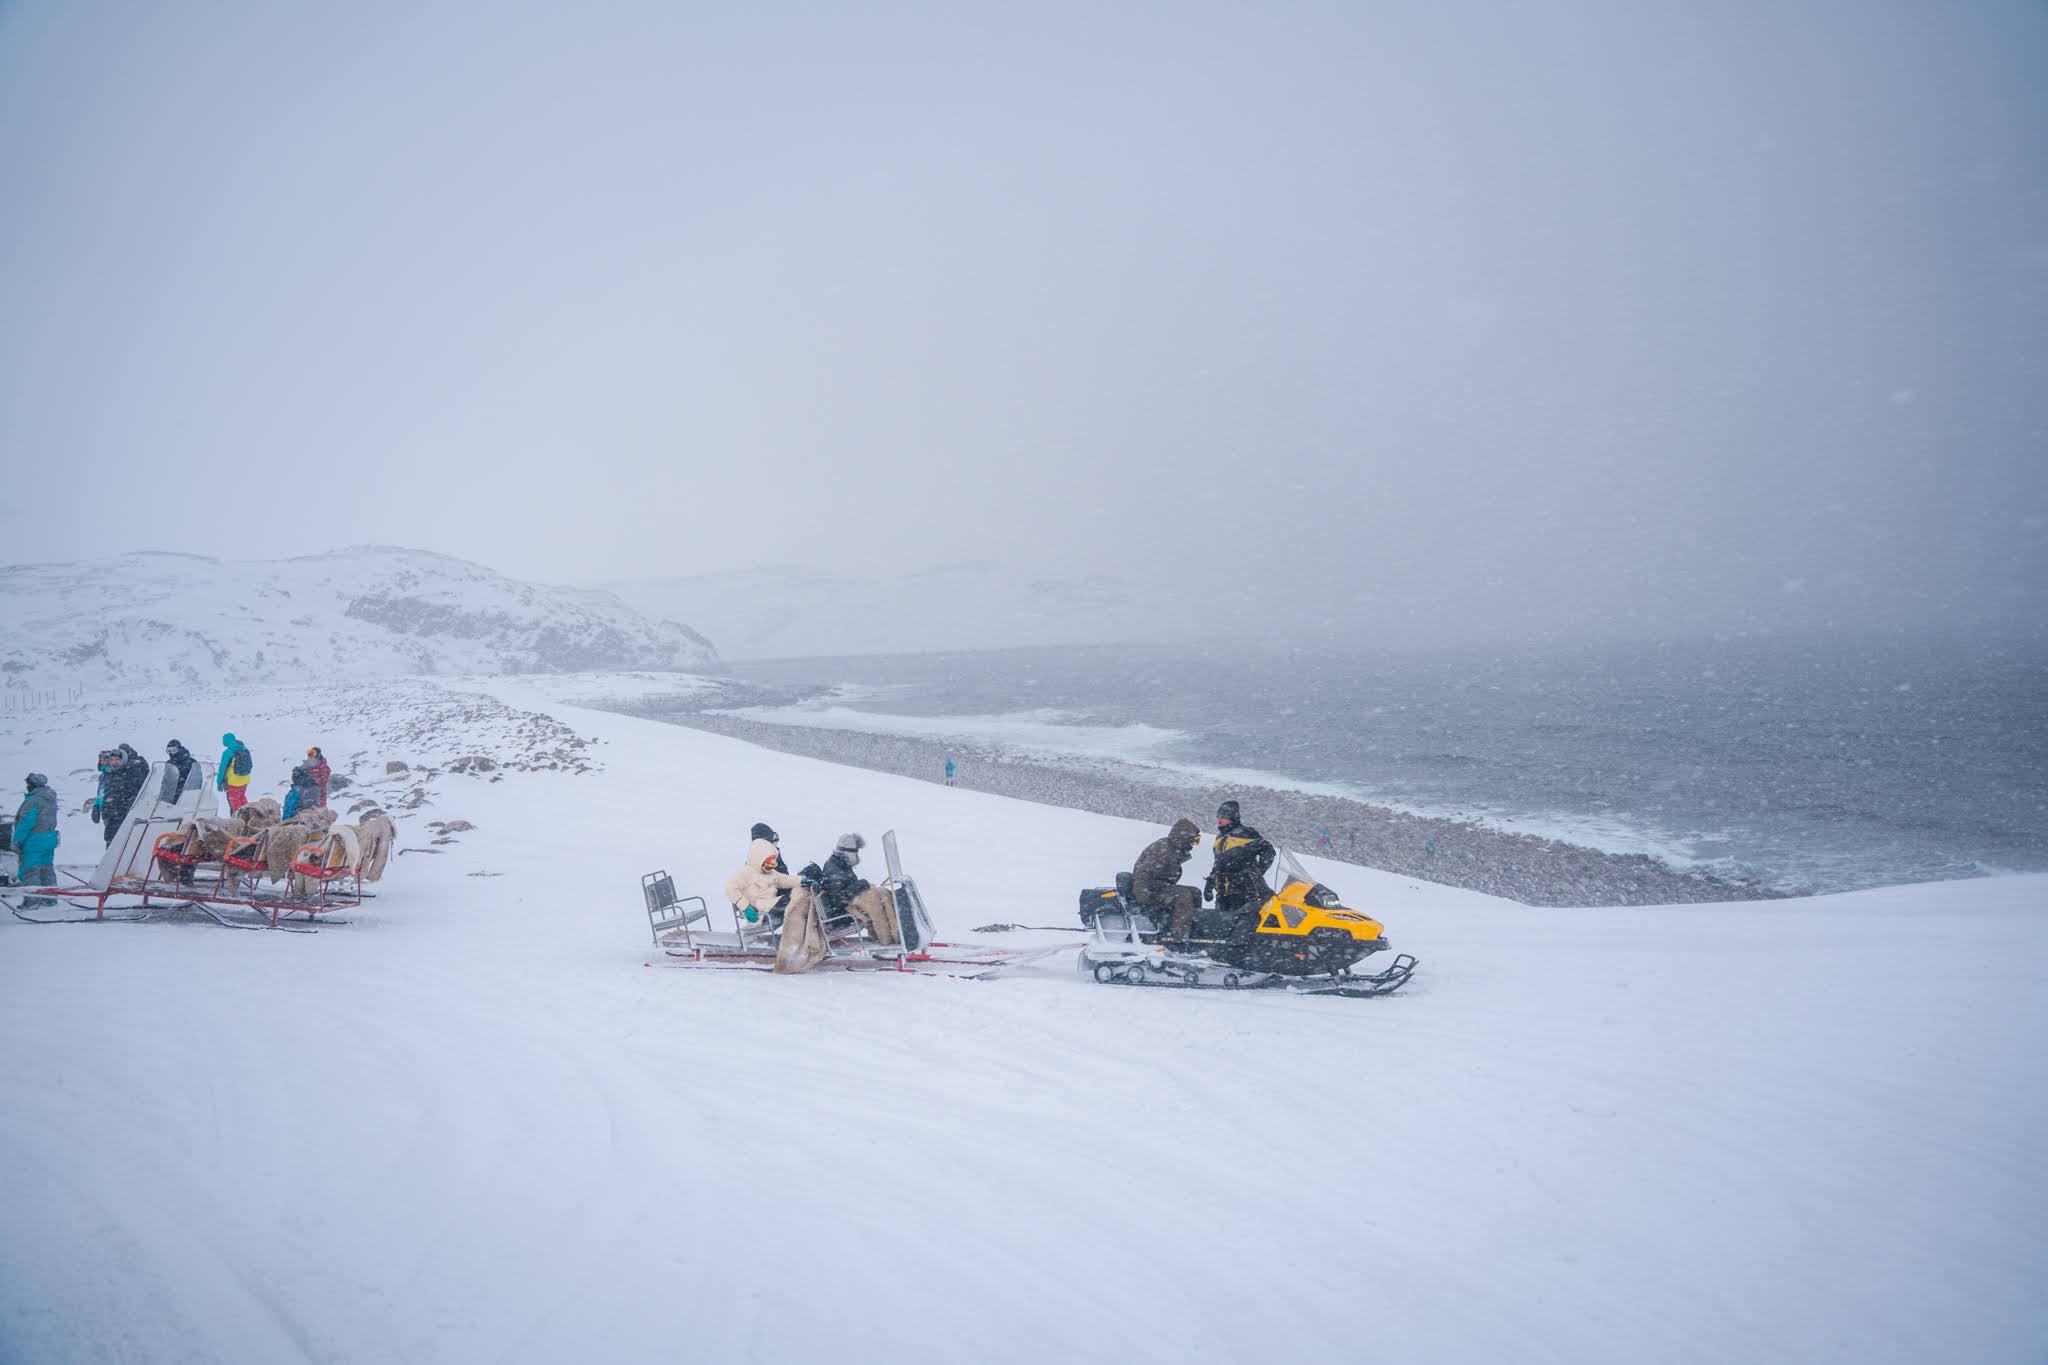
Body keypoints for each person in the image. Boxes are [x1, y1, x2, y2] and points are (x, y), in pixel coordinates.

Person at [814, 832, 901, 944]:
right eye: (856, 852)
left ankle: (896, 933)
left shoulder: (841, 864)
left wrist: (860, 885)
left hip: (846, 906)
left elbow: (847, 888)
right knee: (875, 905)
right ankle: (886, 940)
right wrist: (859, 885)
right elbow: (839, 899)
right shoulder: (834, 869)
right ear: (848, 852)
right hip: (841, 914)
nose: (857, 855)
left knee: (882, 893)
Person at [1205, 799, 1276, 925]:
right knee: (1220, 927)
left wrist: (1257, 871)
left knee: (1244, 926)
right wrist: (1209, 884)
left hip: (1244, 893)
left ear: (1233, 817)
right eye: (1218, 816)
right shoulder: (1219, 838)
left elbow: (1268, 851)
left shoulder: (1247, 833)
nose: (1220, 819)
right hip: (1222, 893)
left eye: (1224, 816)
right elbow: (1218, 864)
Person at [1130, 817, 1203, 940]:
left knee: (1195, 892)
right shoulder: (1163, 851)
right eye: (1195, 840)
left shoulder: (1174, 849)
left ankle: (1193, 928)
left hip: (1159, 887)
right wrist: (1142, 896)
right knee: (1183, 895)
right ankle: (1179, 936)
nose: (1195, 844)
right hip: (1149, 891)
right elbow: (1142, 873)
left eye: (1197, 840)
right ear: (1184, 837)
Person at [725, 836, 803, 933]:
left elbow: (784, 880)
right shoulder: (745, 873)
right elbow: (730, 888)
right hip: (760, 912)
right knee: (790, 901)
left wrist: (802, 880)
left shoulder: (769, 872)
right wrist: (746, 907)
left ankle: (797, 929)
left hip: (771, 906)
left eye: (772, 865)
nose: (769, 868)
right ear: (759, 859)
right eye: (768, 864)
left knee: (794, 895)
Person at [13, 772, 59, 906]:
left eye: (28, 784)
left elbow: (26, 823)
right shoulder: (50, 798)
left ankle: (31, 901)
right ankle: (50, 898)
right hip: (49, 838)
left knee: (30, 871)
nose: (27, 786)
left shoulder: (33, 800)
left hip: (34, 841)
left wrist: (17, 840)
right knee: (46, 869)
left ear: (33, 785)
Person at [94, 743, 150, 846]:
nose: (114, 762)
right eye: (112, 760)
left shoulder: (130, 773)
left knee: (125, 844)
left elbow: (134, 793)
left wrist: (127, 810)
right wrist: (99, 807)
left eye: (117, 760)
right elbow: (104, 795)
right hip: (111, 818)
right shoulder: (108, 775)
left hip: (122, 817)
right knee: (112, 844)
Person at [217, 733, 253, 812]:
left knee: (234, 802)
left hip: (234, 781)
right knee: (241, 797)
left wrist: (219, 782)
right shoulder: (244, 749)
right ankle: (248, 814)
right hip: (245, 779)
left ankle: (238, 816)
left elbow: (222, 769)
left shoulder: (228, 752)